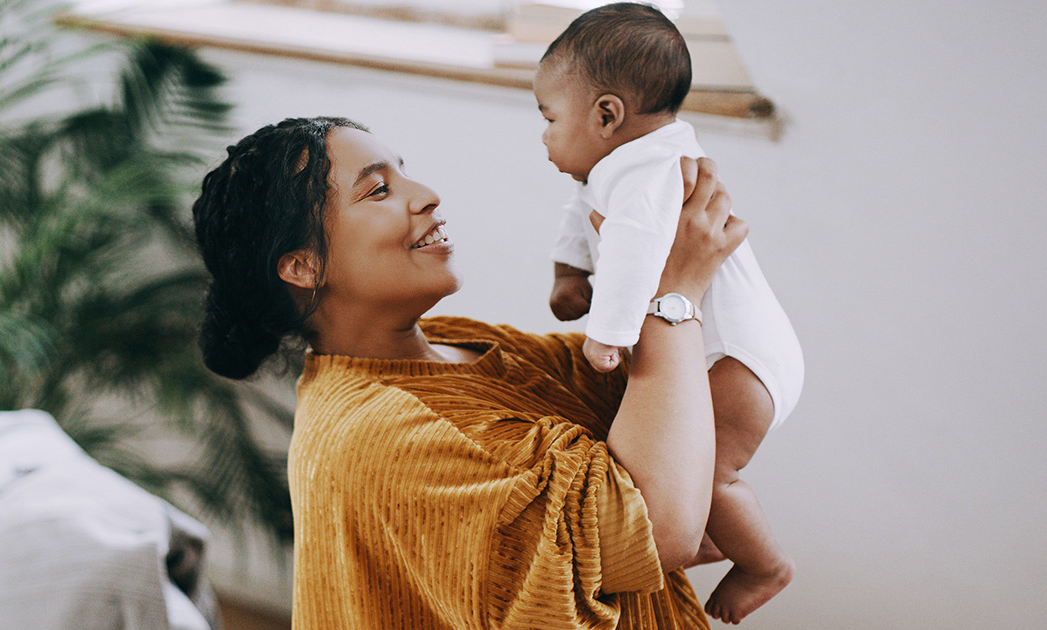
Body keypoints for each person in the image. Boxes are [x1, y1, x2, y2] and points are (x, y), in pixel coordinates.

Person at [191, 116, 744, 629]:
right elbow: (659, 527)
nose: (427, 195)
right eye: (378, 190)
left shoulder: (459, 342)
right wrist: (670, 294)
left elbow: (657, 410)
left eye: (404, 172)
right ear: (303, 266)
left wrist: (647, 242)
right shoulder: (386, 435)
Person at [534, 3, 803, 624]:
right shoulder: (617, 167)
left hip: (741, 358)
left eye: (549, 118)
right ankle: (719, 535)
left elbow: (631, 255)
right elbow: (581, 215)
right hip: (722, 351)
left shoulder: (653, 170)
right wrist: (568, 272)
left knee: (708, 477)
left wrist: (608, 334)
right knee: (691, 469)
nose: (544, 136)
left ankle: (766, 565)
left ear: (606, 114)